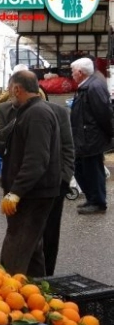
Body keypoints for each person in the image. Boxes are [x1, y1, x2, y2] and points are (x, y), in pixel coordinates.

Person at [0, 69, 74, 277]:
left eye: (10, 89)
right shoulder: (27, 112)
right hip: (33, 191)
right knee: (32, 250)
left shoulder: (37, 114)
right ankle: (40, 292)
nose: (8, 94)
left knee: (16, 247)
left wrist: (16, 191)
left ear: (17, 89)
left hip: (34, 193)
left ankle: (10, 295)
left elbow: (37, 160)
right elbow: (14, 152)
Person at [70, 57, 112, 215]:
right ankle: (92, 199)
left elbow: (104, 114)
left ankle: (98, 203)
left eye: (73, 71)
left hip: (91, 139)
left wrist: (109, 135)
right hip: (84, 137)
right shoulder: (87, 85)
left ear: (80, 73)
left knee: (93, 171)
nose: (72, 74)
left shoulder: (93, 87)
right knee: (81, 169)